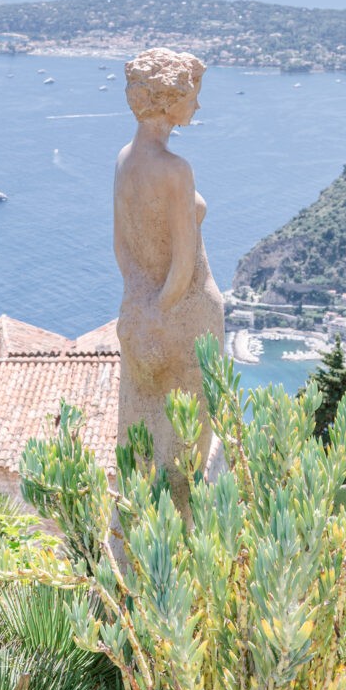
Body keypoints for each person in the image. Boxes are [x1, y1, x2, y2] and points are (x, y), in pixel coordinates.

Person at [114, 47, 225, 521]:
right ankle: (183, 540)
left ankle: (133, 531)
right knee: (189, 441)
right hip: (188, 313)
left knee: (141, 432)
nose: (196, 106)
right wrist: (163, 308)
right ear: (168, 98)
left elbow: (121, 245)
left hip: (138, 309)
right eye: (192, 95)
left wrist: (141, 305)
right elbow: (183, 260)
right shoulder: (175, 170)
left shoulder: (124, 160)